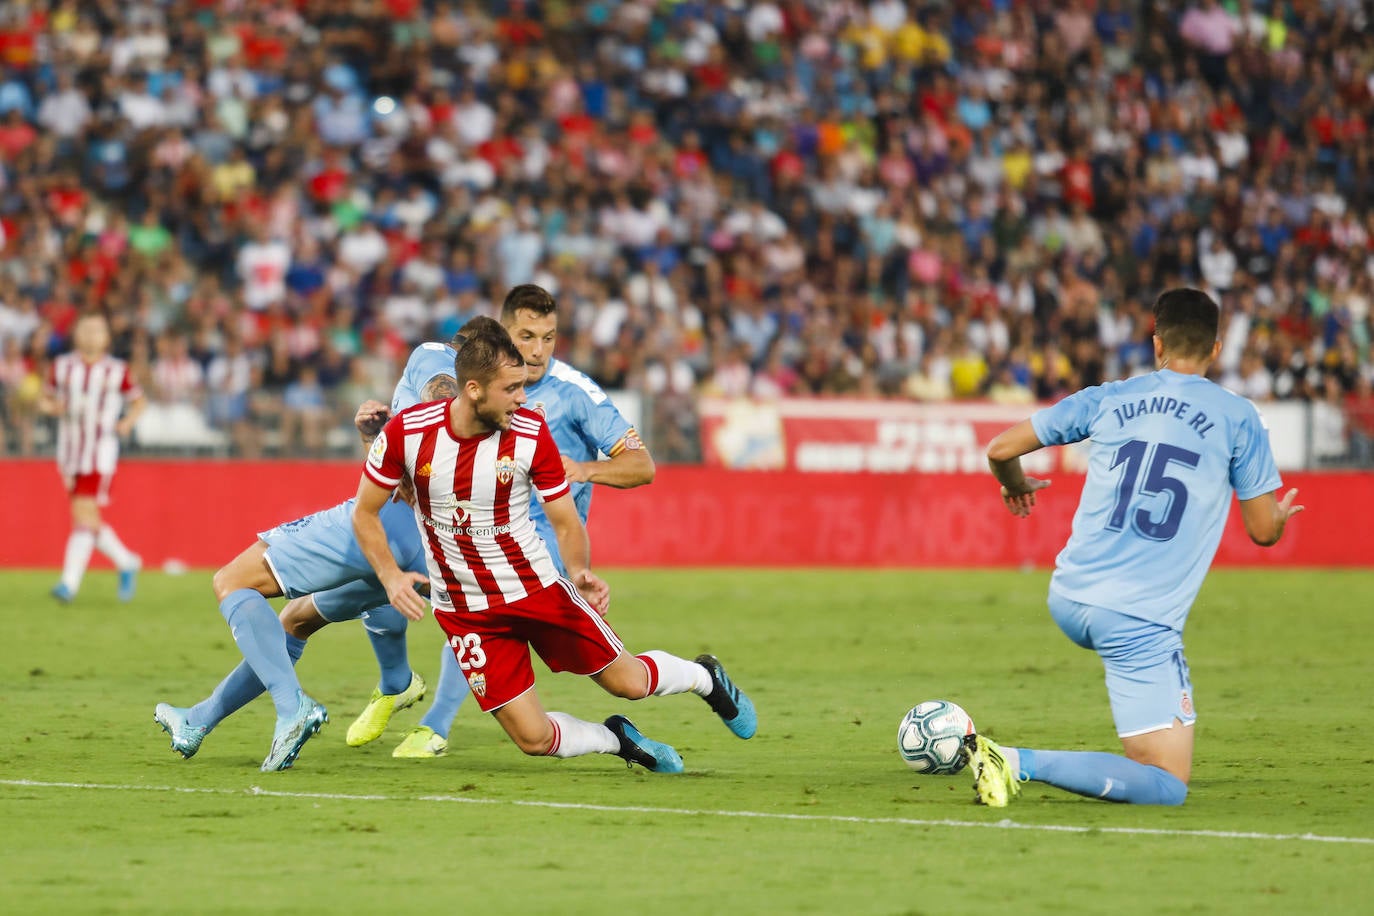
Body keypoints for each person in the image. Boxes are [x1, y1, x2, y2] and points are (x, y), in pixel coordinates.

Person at [353, 322, 755, 773]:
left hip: (536, 590)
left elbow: (565, 520)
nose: (522, 398)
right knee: (533, 738)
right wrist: (389, 575)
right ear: (473, 389)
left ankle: (705, 677)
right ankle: (618, 740)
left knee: (629, 682)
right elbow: (364, 512)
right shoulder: (409, 432)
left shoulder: (530, 432)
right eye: (511, 389)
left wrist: (579, 571)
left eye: (523, 386)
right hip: (466, 611)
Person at [964, 288, 1303, 806]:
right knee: (1166, 785)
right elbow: (1262, 531)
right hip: (1136, 619)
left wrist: (1013, 483)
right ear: (1216, 349)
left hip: (1070, 597)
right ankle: (1011, 761)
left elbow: (999, 448)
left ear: (1156, 342)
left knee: (1152, 738)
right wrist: (1277, 518)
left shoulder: (1109, 397)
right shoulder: (1237, 417)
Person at [151, 350, 466, 769]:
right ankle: (198, 721)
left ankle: (291, 709)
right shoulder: (503, 414)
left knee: (232, 580)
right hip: (432, 547)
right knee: (296, 621)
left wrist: (416, 466)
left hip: (386, 527)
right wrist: (373, 438)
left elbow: (432, 423)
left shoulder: (436, 358)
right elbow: (399, 465)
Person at [391, 285, 656, 759]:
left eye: (549, 338)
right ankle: (403, 694)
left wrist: (587, 469)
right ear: (501, 336)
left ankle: (434, 723)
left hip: (540, 546)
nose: (537, 351)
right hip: (469, 531)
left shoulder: (575, 394)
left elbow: (643, 465)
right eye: (526, 337)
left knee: (620, 678)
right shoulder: (471, 385)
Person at [41, 312, 146, 603]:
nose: (90, 335)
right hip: (69, 453)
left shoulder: (116, 370)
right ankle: (127, 562)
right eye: (85, 329)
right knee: (85, 517)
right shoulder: (62, 367)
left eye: (96, 330)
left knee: (84, 514)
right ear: (76, 334)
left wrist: (126, 422)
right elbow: (44, 397)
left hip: (99, 453)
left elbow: (139, 401)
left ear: (106, 338)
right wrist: (52, 407)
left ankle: (68, 584)